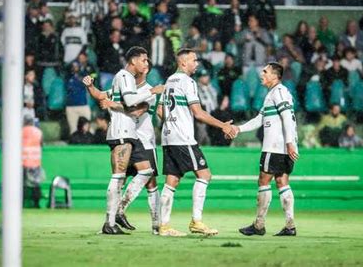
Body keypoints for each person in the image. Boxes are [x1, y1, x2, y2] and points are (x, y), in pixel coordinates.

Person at [156, 48, 236, 237]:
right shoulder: (188, 82)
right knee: (205, 175)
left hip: (168, 137)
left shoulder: (168, 81)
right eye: (194, 60)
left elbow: (160, 111)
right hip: (183, 138)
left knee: (171, 180)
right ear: (183, 63)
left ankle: (164, 226)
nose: (197, 63)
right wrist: (222, 125)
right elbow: (198, 113)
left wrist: (172, 122)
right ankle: (196, 221)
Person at [87, 46, 164, 234]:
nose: (146, 64)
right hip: (123, 131)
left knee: (147, 174)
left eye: (147, 62)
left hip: (139, 138)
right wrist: (153, 91)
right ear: (134, 62)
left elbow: (132, 108)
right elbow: (127, 103)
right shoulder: (124, 78)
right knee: (119, 176)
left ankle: (126, 215)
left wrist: (102, 95)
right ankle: (110, 221)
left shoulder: (136, 86)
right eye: (144, 60)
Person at [232, 62, 299, 237]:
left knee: (263, 181)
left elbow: (286, 117)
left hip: (276, 146)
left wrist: (289, 143)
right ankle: (290, 226)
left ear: (275, 76)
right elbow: (258, 119)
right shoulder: (275, 93)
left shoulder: (278, 92)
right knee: (282, 183)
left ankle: (259, 224)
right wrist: (238, 129)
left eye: (265, 71)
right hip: (283, 145)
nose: (261, 74)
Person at [22, 116, 45, 208]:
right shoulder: (38, 132)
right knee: (36, 184)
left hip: (23, 161)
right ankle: (36, 203)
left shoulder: (20, 132)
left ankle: (21, 203)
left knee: (22, 185)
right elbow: (42, 144)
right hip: (35, 161)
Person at [65, 62, 91, 134]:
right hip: (71, 106)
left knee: (87, 128)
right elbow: (69, 87)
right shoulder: (68, 77)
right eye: (73, 66)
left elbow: (88, 82)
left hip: (83, 105)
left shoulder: (83, 75)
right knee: (73, 130)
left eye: (76, 66)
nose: (75, 68)